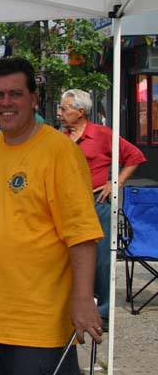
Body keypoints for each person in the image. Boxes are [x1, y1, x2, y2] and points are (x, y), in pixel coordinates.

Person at [0, 57, 104, 375]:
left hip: (37, 326)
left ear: (33, 99)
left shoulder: (59, 152)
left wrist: (83, 300)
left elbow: (81, 234)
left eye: (15, 93)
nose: (6, 102)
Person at [58, 88, 146, 327]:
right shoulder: (59, 138)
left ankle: (103, 311)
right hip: (65, 205)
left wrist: (113, 183)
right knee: (65, 255)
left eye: (64, 109)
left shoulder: (102, 134)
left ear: (80, 111)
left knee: (102, 259)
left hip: (96, 203)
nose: (59, 113)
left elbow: (134, 156)